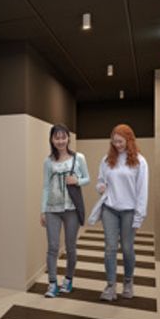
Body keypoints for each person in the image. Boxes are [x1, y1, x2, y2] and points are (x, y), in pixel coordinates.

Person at [95, 124, 149, 301]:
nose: (117, 145)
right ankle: (110, 285)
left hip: (129, 211)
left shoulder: (139, 161)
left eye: (120, 141)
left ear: (129, 140)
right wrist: (100, 187)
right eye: (114, 141)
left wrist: (139, 217)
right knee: (110, 247)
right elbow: (100, 181)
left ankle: (128, 281)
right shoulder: (106, 160)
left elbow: (142, 191)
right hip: (109, 209)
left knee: (127, 248)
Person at [40, 123, 90, 297]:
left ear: (68, 138)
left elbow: (87, 178)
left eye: (63, 137)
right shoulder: (48, 161)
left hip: (71, 209)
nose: (60, 141)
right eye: (57, 138)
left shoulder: (79, 158)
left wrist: (77, 181)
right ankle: (52, 284)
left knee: (70, 247)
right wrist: (43, 210)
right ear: (52, 140)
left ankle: (68, 280)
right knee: (53, 247)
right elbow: (46, 187)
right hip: (52, 209)